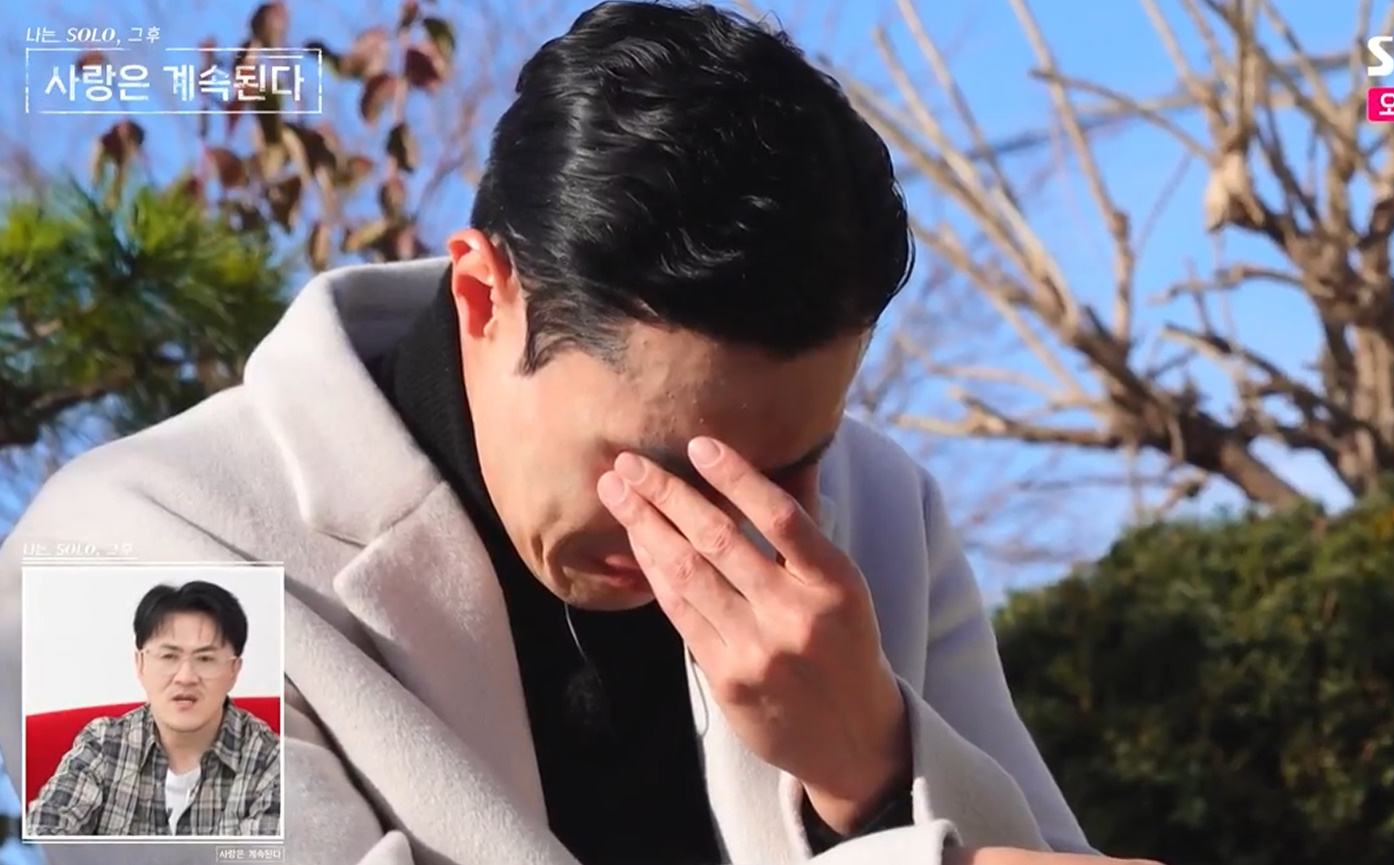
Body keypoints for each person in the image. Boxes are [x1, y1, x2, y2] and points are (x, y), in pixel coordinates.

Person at [0, 3, 1164, 865]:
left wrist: (872, 765)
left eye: (788, 464)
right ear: (482, 295)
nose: (726, 525)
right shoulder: (99, 560)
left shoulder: (883, 507)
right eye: (653, 466)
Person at [24, 581, 281, 837]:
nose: (185, 677)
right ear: (140, 663)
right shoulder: (104, 744)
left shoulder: (271, 760)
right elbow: (44, 833)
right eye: (169, 656)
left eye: (205, 659)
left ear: (234, 670)